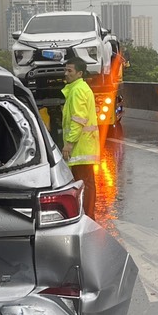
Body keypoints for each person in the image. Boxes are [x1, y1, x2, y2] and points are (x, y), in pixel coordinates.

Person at [61, 53, 100, 217]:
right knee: (87, 182)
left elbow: (78, 120)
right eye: (65, 70)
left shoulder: (77, 91)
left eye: (70, 71)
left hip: (80, 147)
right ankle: (88, 214)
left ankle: (87, 216)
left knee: (83, 184)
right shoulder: (79, 89)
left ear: (79, 73)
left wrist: (69, 144)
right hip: (85, 146)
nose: (66, 73)